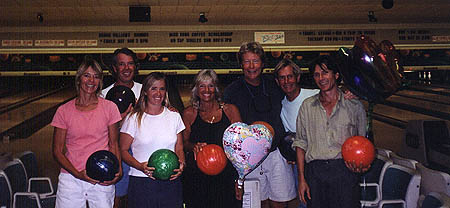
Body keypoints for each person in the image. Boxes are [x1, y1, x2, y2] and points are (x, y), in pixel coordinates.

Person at [223, 42, 297, 208]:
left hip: (277, 154)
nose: (251, 66)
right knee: (258, 203)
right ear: (241, 64)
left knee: (281, 203)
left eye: (255, 61)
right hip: (249, 159)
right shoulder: (232, 91)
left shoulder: (274, 84)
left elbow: (297, 95)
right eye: (247, 61)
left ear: (263, 64)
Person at [293, 55, 367, 208]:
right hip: (315, 172)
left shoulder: (354, 106)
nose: (321, 78)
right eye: (317, 74)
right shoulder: (307, 106)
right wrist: (301, 179)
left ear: (336, 75)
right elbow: (300, 143)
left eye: (325, 72)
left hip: (344, 171)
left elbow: (363, 142)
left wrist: (364, 164)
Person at [51, 58, 122, 207]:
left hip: (102, 174)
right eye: (87, 75)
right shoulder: (63, 111)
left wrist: (118, 170)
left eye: (96, 76)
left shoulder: (110, 108)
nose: (91, 80)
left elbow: (114, 144)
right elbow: (57, 151)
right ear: (79, 79)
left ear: (100, 81)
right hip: (71, 177)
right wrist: (77, 174)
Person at [119, 72, 185, 208]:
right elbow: (123, 150)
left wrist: (182, 164)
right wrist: (140, 167)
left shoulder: (174, 116)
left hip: (171, 181)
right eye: (153, 88)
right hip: (141, 182)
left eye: (162, 88)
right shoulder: (133, 118)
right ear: (145, 92)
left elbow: (179, 147)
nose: (158, 93)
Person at [182, 69, 243, 208]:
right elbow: (183, 143)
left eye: (210, 85)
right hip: (197, 178)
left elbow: (241, 148)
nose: (206, 90)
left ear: (216, 88)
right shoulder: (189, 113)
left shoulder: (230, 111)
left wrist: (239, 181)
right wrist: (194, 146)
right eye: (202, 86)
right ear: (196, 89)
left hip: (226, 177)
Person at [99, 47, 142, 208]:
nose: (126, 68)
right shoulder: (103, 95)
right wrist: (120, 119)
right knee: (117, 198)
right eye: (122, 64)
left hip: (141, 150)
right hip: (116, 150)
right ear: (115, 68)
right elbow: (100, 131)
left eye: (130, 64)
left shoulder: (146, 91)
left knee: (138, 198)